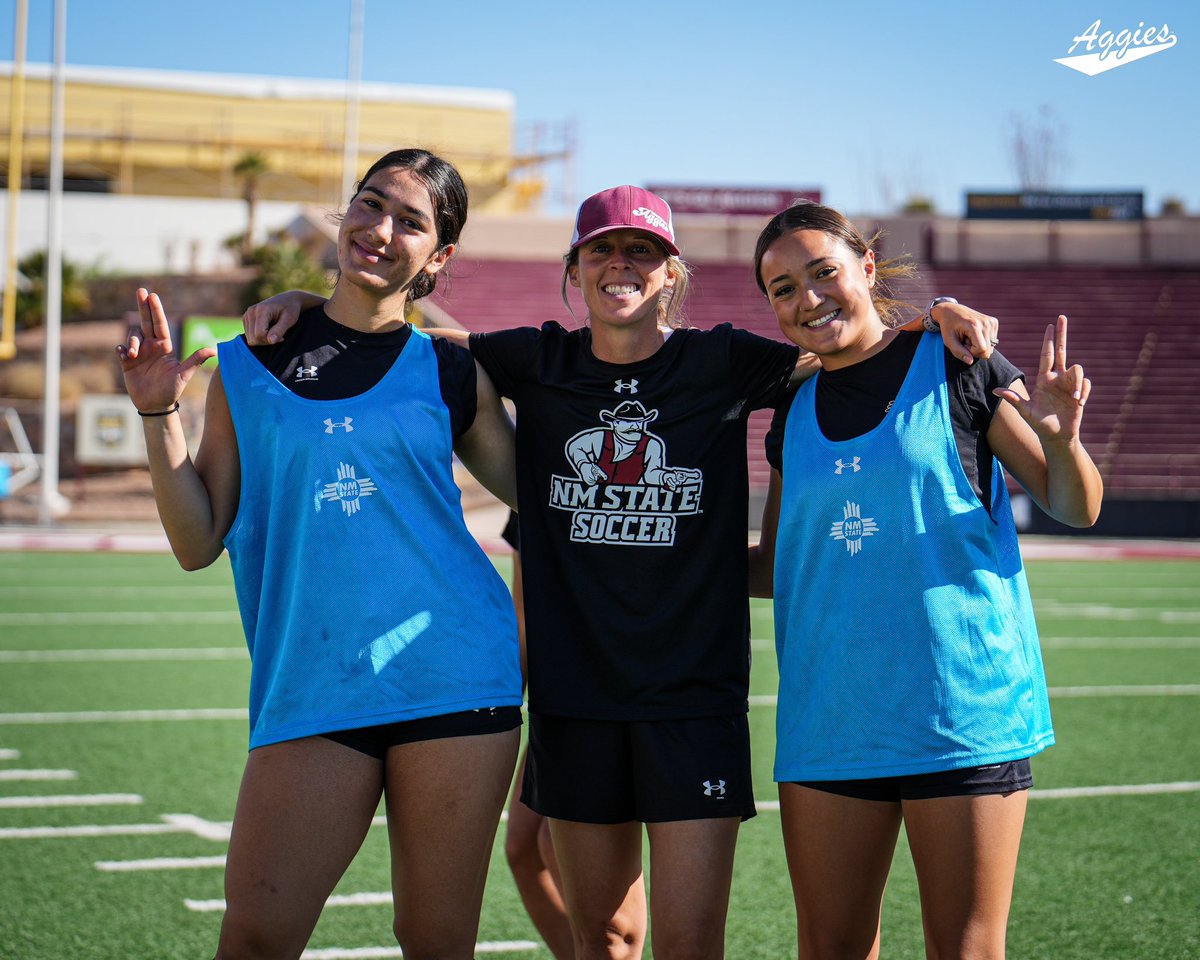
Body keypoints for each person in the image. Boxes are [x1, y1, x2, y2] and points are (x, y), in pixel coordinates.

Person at [243, 184, 998, 959]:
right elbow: (395, 341)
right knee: (602, 936)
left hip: (694, 700)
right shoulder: (535, 359)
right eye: (601, 248)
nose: (620, 263)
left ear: (671, 272)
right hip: (578, 700)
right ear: (576, 268)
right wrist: (314, 299)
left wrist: (930, 320)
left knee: (688, 943)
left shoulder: (725, 361)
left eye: (642, 250)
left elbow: (844, 342)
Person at [117, 148, 524, 960]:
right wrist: (160, 415)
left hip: (456, 672)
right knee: (259, 934)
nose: (379, 228)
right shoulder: (250, 357)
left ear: (440, 256)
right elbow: (198, 541)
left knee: (435, 939)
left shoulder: (451, 368)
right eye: (369, 205)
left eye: (411, 222)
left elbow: (545, 497)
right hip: (312, 681)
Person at [749, 201, 1102, 960]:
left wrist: (1063, 437)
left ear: (866, 270)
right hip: (831, 721)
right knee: (830, 947)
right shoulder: (790, 410)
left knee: (966, 949)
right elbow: (778, 567)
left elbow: (1075, 506)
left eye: (823, 273)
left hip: (962, 717)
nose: (807, 299)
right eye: (782, 289)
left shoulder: (955, 362)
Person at [500, 511, 648, 960]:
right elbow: (526, 612)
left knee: (554, 849)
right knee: (524, 847)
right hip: (562, 691)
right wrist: (503, 709)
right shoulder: (534, 459)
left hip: (621, 683)